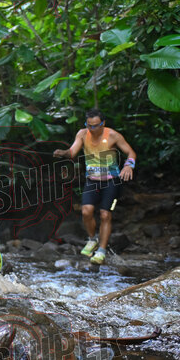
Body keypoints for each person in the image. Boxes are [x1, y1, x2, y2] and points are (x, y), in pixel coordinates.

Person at [53, 109, 137, 264]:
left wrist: (128, 166)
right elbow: (72, 152)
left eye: (95, 126)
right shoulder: (82, 134)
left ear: (103, 123)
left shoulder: (113, 135)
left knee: (105, 214)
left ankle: (101, 251)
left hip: (112, 181)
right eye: (89, 125)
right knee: (86, 211)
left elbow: (131, 153)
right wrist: (63, 153)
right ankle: (92, 240)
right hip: (92, 181)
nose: (92, 129)